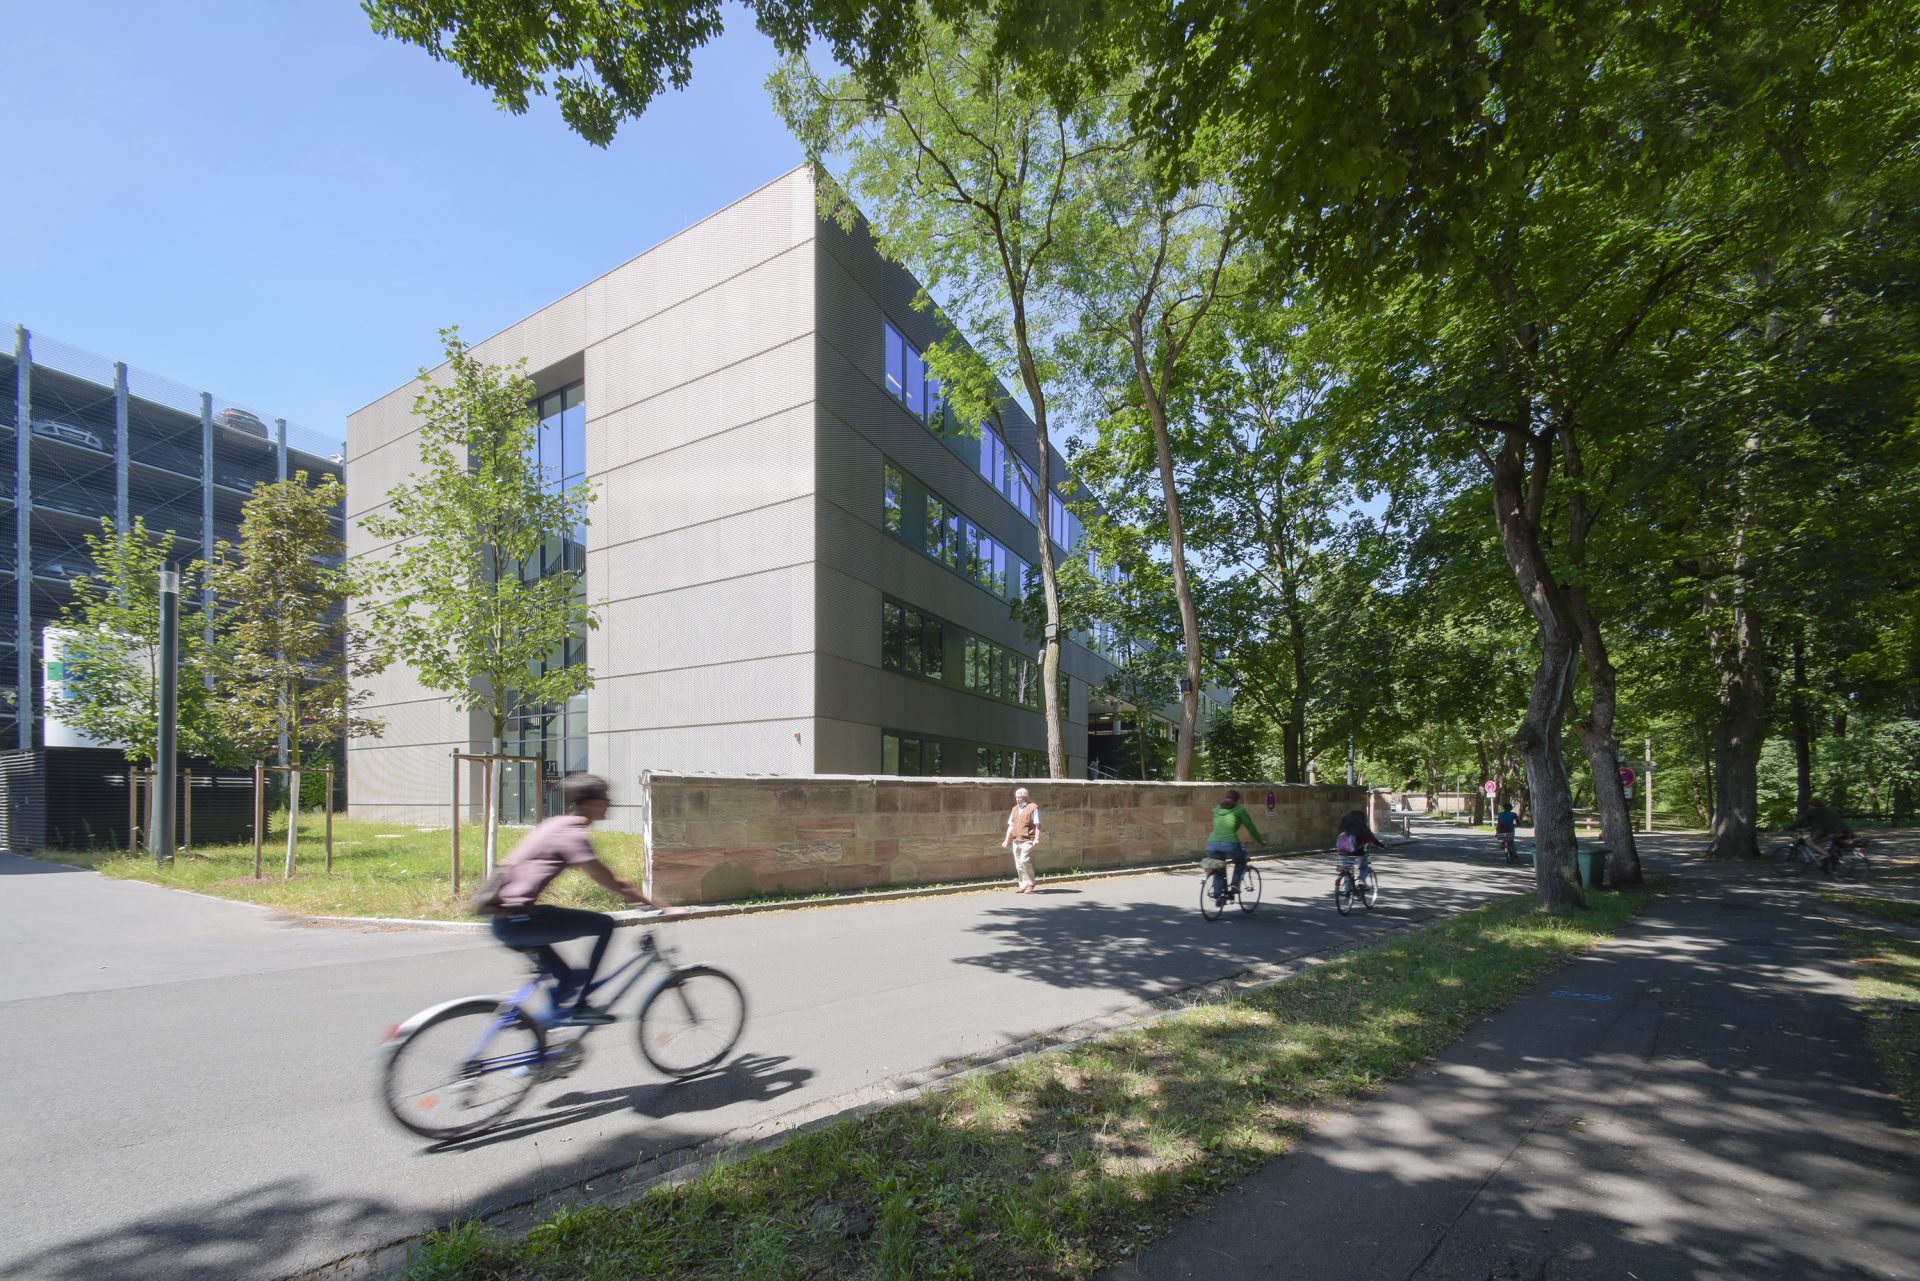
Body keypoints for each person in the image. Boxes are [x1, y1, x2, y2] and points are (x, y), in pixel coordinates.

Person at [489, 773, 671, 1024]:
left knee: (567, 979)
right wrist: (658, 906)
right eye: (605, 798)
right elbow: (609, 880)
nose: (609, 803)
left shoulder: (554, 824)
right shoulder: (571, 833)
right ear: (588, 803)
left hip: (507, 918)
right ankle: (581, 1006)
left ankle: (541, 1036)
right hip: (519, 921)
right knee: (604, 924)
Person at [1205, 789, 1264, 904]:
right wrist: (1260, 841)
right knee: (1241, 862)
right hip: (1230, 843)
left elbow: (1214, 827)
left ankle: (1218, 895)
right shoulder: (1240, 810)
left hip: (1211, 844)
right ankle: (1235, 885)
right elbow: (1251, 828)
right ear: (1237, 801)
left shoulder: (1217, 810)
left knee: (1218, 867)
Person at [1002, 787, 1041, 893]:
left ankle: (1031, 883)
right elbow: (1010, 826)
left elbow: (1038, 824)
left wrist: (1036, 838)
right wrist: (1006, 840)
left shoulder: (1033, 807)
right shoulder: (1014, 809)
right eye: (1016, 797)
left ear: (1025, 797)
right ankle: (1023, 884)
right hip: (1016, 840)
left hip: (1028, 839)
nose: (1017, 799)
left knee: (1024, 860)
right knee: (1018, 863)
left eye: (1019, 797)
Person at [1336, 808, 1380, 884]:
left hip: (1342, 854)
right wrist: (1381, 845)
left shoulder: (1344, 827)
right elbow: (1372, 839)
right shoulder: (1363, 828)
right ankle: (1361, 881)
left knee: (1347, 871)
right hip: (1357, 854)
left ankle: (1347, 892)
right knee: (1364, 867)